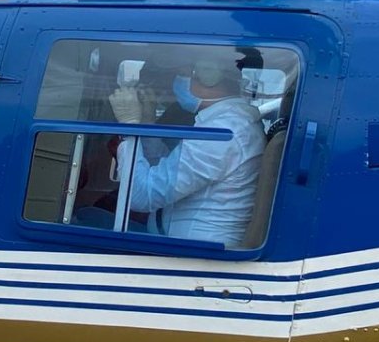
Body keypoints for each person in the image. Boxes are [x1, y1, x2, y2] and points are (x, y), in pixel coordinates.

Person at [108, 56, 264, 247]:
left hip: (191, 253)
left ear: (209, 77)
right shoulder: (229, 122)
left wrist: (129, 126)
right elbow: (169, 172)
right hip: (178, 242)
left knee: (84, 219)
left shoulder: (222, 131)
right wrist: (147, 124)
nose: (176, 82)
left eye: (182, 75)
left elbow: (141, 196)